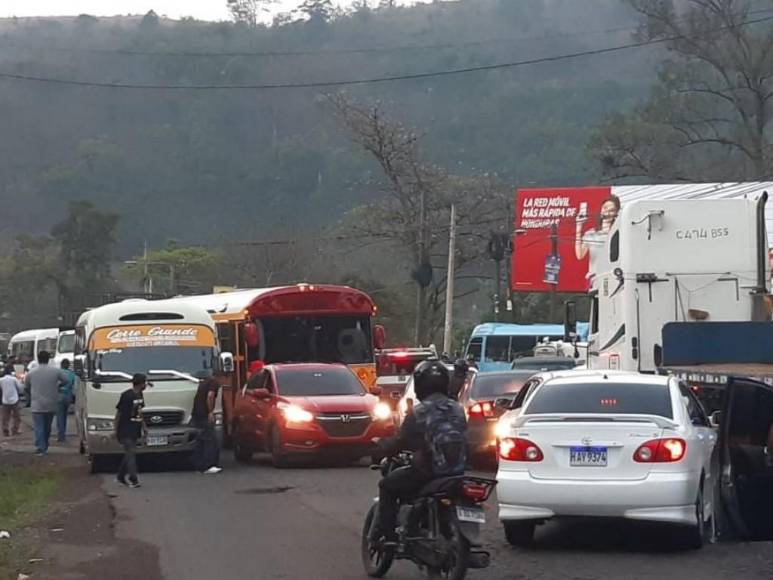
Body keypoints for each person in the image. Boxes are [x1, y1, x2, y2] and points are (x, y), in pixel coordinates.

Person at [376, 360, 467, 544]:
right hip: (458, 472)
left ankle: (389, 537)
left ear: (420, 385)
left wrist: (380, 448)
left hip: (428, 473)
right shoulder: (458, 409)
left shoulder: (419, 412)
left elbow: (401, 442)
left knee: (387, 486)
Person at [24, 351, 68, 455]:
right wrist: (57, 386)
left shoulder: (31, 372)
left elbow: (26, 387)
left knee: (39, 426)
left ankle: (41, 447)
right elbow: (66, 381)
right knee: (47, 427)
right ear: (48, 359)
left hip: (37, 404)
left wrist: (30, 395)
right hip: (51, 402)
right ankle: (45, 445)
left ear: (38, 359)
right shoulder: (55, 371)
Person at [575, 195, 621, 285]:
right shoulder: (591, 233)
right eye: (605, 208)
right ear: (601, 210)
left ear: (616, 213)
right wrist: (578, 227)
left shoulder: (619, 233)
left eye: (611, 210)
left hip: (612, 278)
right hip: (594, 279)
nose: (607, 212)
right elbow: (579, 255)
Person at [115, 373, 148, 488]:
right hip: (125, 427)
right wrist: (115, 428)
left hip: (135, 427)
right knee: (131, 453)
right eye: (145, 382)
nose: (146, 385)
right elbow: (119, 412)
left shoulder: (140, 395)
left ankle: (120, 475)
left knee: (130, 453)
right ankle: (133, 478)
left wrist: (144, 426)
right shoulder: (126, 396)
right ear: (140, 383)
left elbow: (139, 411)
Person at [191, 375, 222, 474]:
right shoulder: (214, 382)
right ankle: (209, 465)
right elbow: (210, 396)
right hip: (204, 414)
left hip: (196, 414)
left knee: (200, 440)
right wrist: (210, 412)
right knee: (210, 439)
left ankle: (199, 466)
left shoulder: (204, 382)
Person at [56, 359, 77, 442]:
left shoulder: (58, 372)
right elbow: (74, 386)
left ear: (61, 365)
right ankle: (62, 434)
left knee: (60, 416)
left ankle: (61, 435)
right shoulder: (72, 374)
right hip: (68, 396)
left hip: (59, 395)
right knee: (64, 416)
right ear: (68, 365)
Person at [1, 366, 23, 436]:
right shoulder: (14, 379)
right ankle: (15, 430)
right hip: (14, 399)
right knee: (16, 416)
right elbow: (20, 387)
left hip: (5, 400)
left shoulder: (1, 379)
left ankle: (5, 429)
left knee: (5, 416)